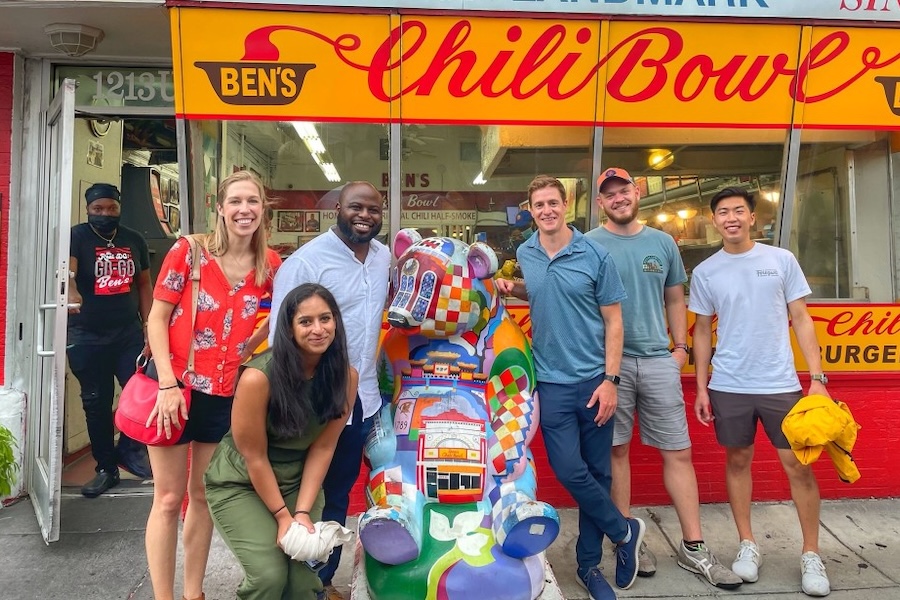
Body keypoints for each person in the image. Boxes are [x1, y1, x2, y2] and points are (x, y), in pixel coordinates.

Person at [587, 168, 743, 589]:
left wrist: (680, 350)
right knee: (615, 453)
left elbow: (676, 297)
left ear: (637, 193)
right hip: (609, 368)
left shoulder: (661, 242)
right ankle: (626, 541)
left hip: (659, 361)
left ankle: (694, 547)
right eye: (610, 195)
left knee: (678, 452)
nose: (619, 198)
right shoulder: (588, 244)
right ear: (600, 203)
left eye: (624, 191)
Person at [496, 175, 644, 600]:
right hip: (551, 381)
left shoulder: (595, 254)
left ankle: (589, 566)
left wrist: (611, 381)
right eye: (538, 204)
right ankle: (624, 529)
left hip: (595, 381)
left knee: (597, 473)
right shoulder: (525, 252)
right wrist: (514, 287)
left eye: (553, 203)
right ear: (531, 208)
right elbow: (548, 292)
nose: (546, 210)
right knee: (568, 469)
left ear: (566, 206)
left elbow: (614, 320)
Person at [145, 170, 282, 600]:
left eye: (253, 201)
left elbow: (274, 322)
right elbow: (157, 318)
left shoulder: (271, 265)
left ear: (263, 209)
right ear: (220, 209)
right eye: (236, 201)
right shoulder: (188, 252)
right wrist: (167, 383)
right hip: (175, 390)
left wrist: (251, 350)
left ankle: (193, 593)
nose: (245, 210)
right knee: (168, 500)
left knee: (201, 496)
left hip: (222, 394)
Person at [689, 187, 833, 597]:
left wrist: (817, 378)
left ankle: (811, 553)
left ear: (753, 217)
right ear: (713, 220)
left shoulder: (780, 260)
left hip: (780, 384)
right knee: (738, 461)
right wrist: (701, 387)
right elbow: (700, 330)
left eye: (738, 210)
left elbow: (801, 320)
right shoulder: (706, 272)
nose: (730, 217)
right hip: (729, 384)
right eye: (722, 212)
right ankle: (747, 544)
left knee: (799, 466)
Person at [270, 181, 389, 600]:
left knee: (340, 490)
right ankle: (294, 581)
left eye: (374, 209)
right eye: (356, 207)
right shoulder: (305, 264)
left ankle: (321, 582)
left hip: (365, 398)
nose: (365, 216)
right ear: (337, 207)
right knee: (306, 493)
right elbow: (278, 338)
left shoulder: (382, 256)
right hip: (315, 402)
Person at [206, 283, 357, 600]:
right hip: (241, 481)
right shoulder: (258, 377)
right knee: (269, 577)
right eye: (305, 321)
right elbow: (254, 457)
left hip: (297, 480)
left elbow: (323, 447)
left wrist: (301, 512)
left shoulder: (346, 376)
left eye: (325, 319)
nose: (318, 329)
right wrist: (282, 517)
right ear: (288, 328)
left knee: (303, 582)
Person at [67, 182, 153, 497]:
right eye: (98, 209)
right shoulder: (76, 236)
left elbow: (144, 284)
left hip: (127, 333)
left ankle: (129, 449)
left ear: (119, 208)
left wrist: (149, 325)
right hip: (86, 335)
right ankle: (106, 468)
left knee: (142, 394)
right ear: (88, 209)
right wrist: (72, 289)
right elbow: (69, 273)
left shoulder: (134, 239)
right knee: (96, 403)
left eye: (111, 208)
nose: (105, 214)